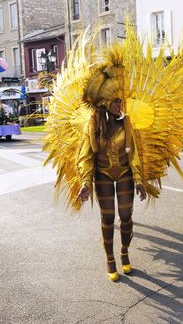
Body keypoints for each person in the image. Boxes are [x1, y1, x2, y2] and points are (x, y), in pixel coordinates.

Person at [77, 62, 146, 282]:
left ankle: (124, 252)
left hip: (124, 172)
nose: (120, 104)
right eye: (116, 101)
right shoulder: (93, 122)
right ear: (105, 102)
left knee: (126, 216)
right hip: (103, 174)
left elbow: (132, 151)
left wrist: (138, 178)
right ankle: (110, 259)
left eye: (121, 100)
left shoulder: (125, 121)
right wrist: (86, 183)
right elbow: (86, 154)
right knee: (108, 217)